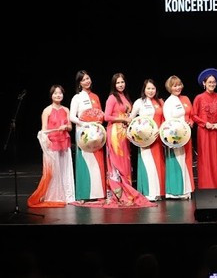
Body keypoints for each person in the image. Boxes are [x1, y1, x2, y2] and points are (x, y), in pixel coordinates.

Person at [104, 73, 153, 207]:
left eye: (122, 82)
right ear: (114, 84)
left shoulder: (124, 97)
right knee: (117, 163)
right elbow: (107, 117)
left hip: (124, 133)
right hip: (114, 134)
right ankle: (119, 193)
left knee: (125, 163)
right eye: (118, 83)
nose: (121, 85)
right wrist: (123, 119)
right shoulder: (112, 98)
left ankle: (128, 191)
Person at [28, 85, 74, 207]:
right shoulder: (47, 110)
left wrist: (66, 127)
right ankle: (54, 195)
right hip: (52, 142)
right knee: (54, 170)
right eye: (55, 93)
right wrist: (47, 141)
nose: (58, 95)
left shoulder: (66, 109)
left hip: (64, 141)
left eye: (60, 93)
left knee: (65, 169)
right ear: (51, 95)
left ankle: (67, 195)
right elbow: (44, 130)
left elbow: (70, 127)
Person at [69, 70, 106, 202]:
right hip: (84, 134)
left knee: (98, 162)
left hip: (96, 135)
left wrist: (98, 122)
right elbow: (72, 116)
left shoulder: (96, 97)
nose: (87, 81)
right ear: (79, 83)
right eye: (84, 79)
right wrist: (84, 123)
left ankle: (99, 194)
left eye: (88, 78)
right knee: (86, 162)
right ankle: (84, 194)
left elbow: (100, 114)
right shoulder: (77, 97)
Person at [129, 78, 165, 201]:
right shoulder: (139, 102)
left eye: (153, 88)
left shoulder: (160, 102)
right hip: (145, 141)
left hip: (158, 139)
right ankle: (149, 192)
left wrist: (161, 130)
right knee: (148, 164)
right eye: (148, 88)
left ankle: (159, 192)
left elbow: (165, 120)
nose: (150, 91)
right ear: (144, 90)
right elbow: (131, 119)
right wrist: (129, 132)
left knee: (159, 165)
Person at [192, 68, 217, 189]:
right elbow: (194, 115)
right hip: (204, 132)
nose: (212, 84)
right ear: (204, 83)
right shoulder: (199, 98)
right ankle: (206, 187)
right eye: (209, 82)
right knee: (205, 159)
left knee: (216, 158)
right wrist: (204, 123)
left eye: (214, 82)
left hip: (216, 131)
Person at [162, 74, 195, 200]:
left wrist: (190, 123)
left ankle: (186, 190)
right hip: (175, 137)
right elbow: (168, 122)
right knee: (177, 161)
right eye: (175, 86)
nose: (178, 87)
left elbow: (191, 115)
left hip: (187, 136)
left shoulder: (186, 99)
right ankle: (175, 191)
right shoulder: (168, 102)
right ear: (170, 87)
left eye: (179, 85)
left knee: (186, 161)